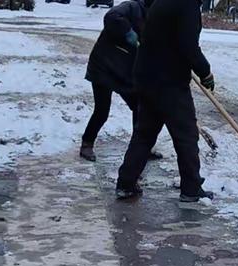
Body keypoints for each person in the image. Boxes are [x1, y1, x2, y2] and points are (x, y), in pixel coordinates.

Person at [115, 0, 215, 203]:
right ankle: (191, 188)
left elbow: (164, 38)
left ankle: (125, 183)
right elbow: (188, 45)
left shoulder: (161, 2)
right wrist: (205, 72)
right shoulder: (187, 5)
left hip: (146, 77)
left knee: (144, 134)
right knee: (186, 135)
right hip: (169, 82)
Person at [80, 0, 161, 162]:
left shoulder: (155, 20)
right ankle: (86, 144)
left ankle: (140, 148)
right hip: (103, 66)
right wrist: (128, 31)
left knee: (139, 107)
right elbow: (111, 16)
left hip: (124, 72)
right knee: (102, 110)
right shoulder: (132, 7)